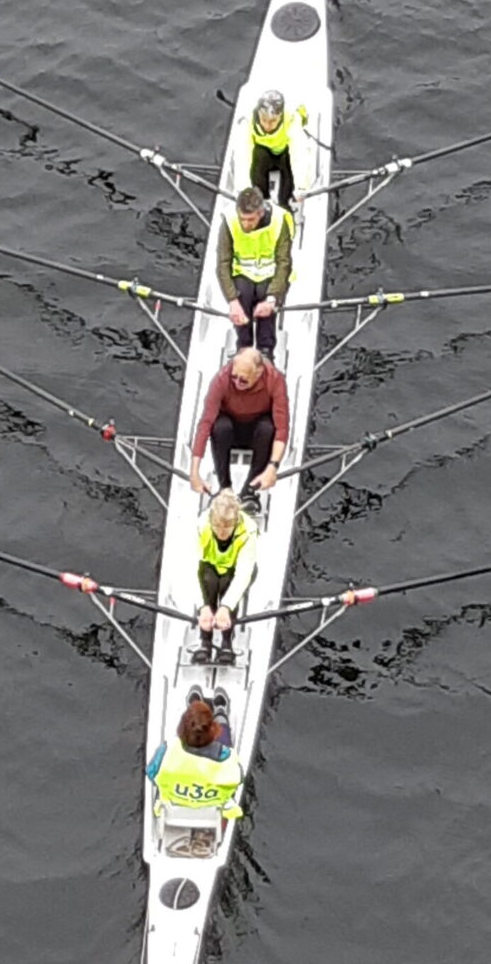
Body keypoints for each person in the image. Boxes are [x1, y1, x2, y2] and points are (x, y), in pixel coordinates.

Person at [189, 347, 288, 510]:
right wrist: (194, 472)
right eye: (234, 377)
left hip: (258, 433)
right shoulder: (222, 378)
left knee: (268, 428)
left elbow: (282, 429)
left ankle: (249, 491)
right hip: (230, 431)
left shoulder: (275, 380)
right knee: (220, 426)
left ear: (258, 373)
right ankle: (224, 488)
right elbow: (205, 423)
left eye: (243, 380)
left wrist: (273, 467)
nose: (236, 383)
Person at [145, 693, 244, 829]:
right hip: (212, 811)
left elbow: (151, 773)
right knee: (224, 735)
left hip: (173, 808)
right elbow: (239, 778)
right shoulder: (226, 757)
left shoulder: (166, 752)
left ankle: (195, 709)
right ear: (212, 731)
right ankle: (220, 711)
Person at [217, 186, 293, 360]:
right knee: (242, 295)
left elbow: (284, 263)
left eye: (250, 220)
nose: (245, 224)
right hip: (242, 275)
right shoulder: (229, 221)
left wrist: (272, 299)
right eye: (242, 219)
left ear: (260, 213)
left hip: (269, 276)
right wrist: (232, 301)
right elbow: (222, 264)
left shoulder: (279, 221)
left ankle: (266, 352)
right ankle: (243, 347)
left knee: (266, 299)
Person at [194, 489, 258, 665]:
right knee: (207, 580)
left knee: (227, 584)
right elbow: (190, 568)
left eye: (227, 527)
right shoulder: (202, 525)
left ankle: (227, 642)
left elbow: (244, 573)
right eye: (218, 526)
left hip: (236, 571)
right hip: (209, 568)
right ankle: (205, 641)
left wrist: (226, 607)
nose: (222, 532)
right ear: (212, 520)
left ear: (236, 521)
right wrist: (203, 607)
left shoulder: (249, 529)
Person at [235, 89, 311, 208]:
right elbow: (242, 154)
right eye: (264, 120)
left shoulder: (292, 119)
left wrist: (301, 187)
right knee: (258, 157)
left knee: (290, 171)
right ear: (258, 113)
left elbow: (299, 153)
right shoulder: (247, 121)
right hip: (264, 154)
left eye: (273, 121)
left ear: (280, 115)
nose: (267, 125)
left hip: (284, 154)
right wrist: (242, 187)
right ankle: (262, 200)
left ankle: (285, 204)